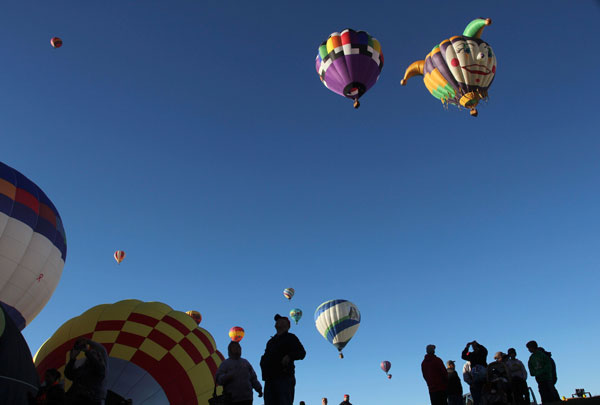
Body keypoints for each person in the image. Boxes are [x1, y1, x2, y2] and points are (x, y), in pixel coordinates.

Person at [260, 314, 306, 405]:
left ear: (287, 326)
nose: (278, 321)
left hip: (283, 377)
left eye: (281, 320)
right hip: (269, 379)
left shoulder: (290, 337)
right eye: (277, 320)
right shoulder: (271, 342)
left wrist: (289, 356)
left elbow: (302, 353)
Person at [64, 338, 108, 405]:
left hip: (90, 400)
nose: (91, 354)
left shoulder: (101, 370)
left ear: (99, 357)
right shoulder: (82, 369)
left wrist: (87, 343)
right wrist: (72, 359)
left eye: (93, 353)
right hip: (76, 399)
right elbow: (69, 374)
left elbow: (102, 351)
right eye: (91, 352)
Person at [461, 341, 488, 405]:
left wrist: (477, 344)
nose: (474, 347)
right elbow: (463, 356)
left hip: (483, 376)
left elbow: (485, 350)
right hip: (475, 378)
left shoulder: (482, 353)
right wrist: (467, 347)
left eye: (475, 346)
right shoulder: (471, 355)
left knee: (485, 396)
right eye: (473, 346)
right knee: (477, 398)